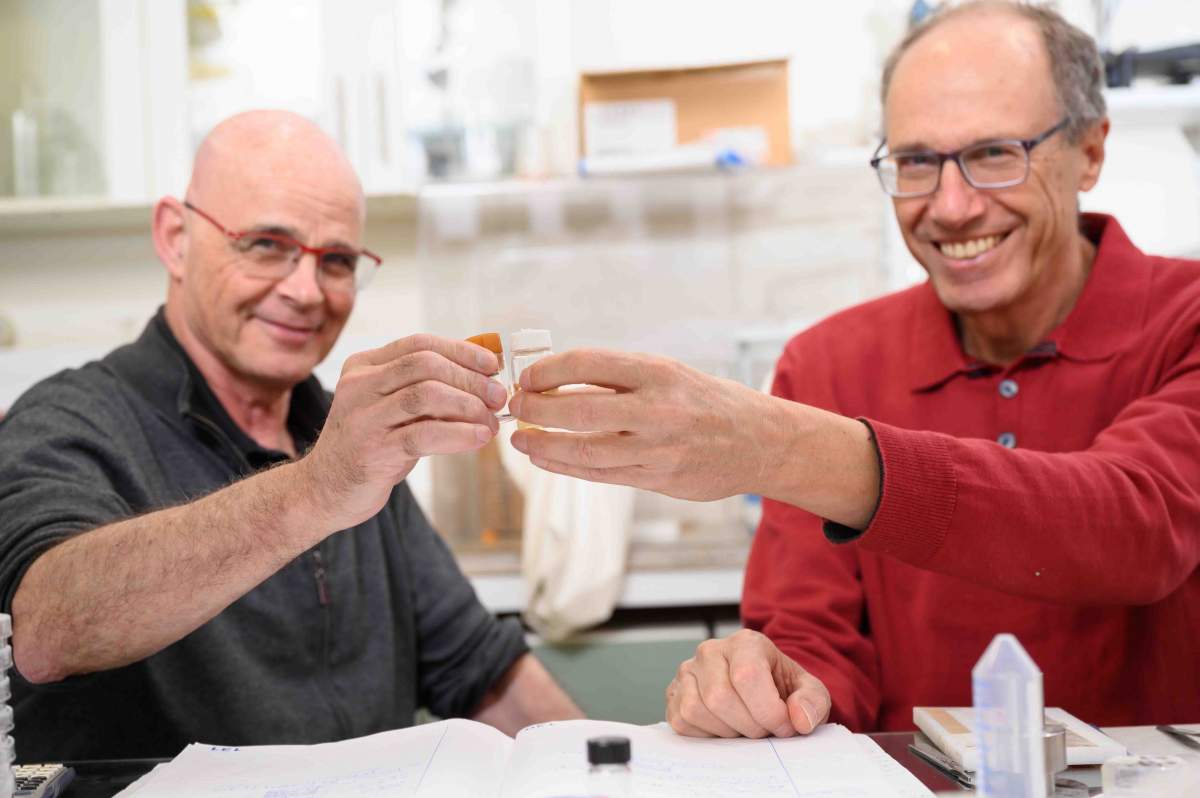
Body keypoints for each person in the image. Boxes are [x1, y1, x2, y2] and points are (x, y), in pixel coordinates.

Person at [507, 0, 1200, 737]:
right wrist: (769, 684)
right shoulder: (830, 364)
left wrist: (779, 446)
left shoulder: (1184, 321)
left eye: (996, 154)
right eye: (916, 162)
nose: (952, 206)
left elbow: (1134, 526)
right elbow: (814, 642)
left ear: (1091, 151)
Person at [0, 111, 581, 760]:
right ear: (175, 238)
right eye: (266, 244)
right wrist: (317, 488)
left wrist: (607, 768)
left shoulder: (347, 437)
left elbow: (480, 671)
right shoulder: (70, 419)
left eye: (336, 261)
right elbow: (46, 630)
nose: (306, 291)